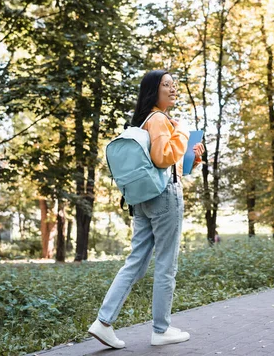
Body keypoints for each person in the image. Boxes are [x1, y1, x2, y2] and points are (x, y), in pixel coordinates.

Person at [88, 70, 205, 348]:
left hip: (143, 198)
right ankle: (161, 330)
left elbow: (173, 165)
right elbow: (162, 157)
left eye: (174, 86)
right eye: (167, 85)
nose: (173, 89)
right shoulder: (160, 119)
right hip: (165, 197)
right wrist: (184, 134)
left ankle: (103, 322)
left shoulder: (143, 122)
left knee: (137, 261)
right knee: (166, 264)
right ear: (153, 90)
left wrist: (193, 157)